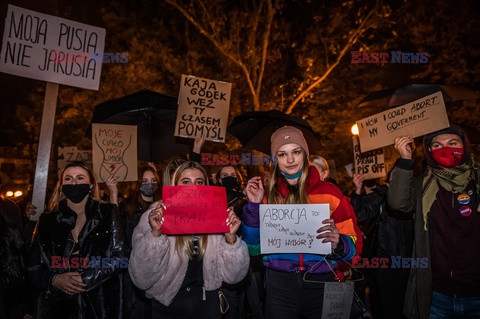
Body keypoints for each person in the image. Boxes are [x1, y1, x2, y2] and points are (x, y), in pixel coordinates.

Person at [242, 126, 362, 319]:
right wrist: (254, 207)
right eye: (282, 154)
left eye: (296, 152)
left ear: (305, 154)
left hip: (321, 281)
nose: (290, 160)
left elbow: (353, 244)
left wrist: (340, 242)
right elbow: (253, 248)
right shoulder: (266, 195)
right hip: (279, 285)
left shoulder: (330, 192)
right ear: (275, 159)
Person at [128, 161, 250, 319]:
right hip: (168, 304)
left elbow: (234, 277)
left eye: (199, 182)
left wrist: (231, 239)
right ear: (175, 184)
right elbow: (140, 277)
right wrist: (155, 235)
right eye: (186, 182)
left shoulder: (217, 215)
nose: (193, 187)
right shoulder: (155, 215)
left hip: (207, 302)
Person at [388, 124, 480, 319]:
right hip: (437, 294)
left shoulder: (477, 180)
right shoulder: (423, 183)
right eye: (437, 145)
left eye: (452, 143)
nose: (445, 148)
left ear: (464, 146)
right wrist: (405, 160)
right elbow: (397, 203)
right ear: (429, 151)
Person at [28, 161, 128, 319]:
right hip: (56, 308)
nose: (74, 182)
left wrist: (86, 279)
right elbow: (33, 268)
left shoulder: (107, 213)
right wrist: (54, 279)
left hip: (98, 305)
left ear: (90, 185)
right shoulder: (47, 220)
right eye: (68, 179)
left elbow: (121, 257)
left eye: (80, 178)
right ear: (61, 185)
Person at [350, 172, 414, 319]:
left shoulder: (415, 196)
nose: (398, 186)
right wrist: (358, 190)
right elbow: (359, 215)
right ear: (387, 184)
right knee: (388, 307)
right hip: (386, 262)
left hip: (413, 262)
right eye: (393, 182)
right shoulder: (381, 196)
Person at [106, 166, 162, 318]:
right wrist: (113, 193)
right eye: (144, 181)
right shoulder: (126, 207)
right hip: (131, 273)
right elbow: (114, 228)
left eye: (153, 180)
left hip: (158, 270)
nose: (149, 184)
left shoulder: (163, 207)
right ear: (138, 183)